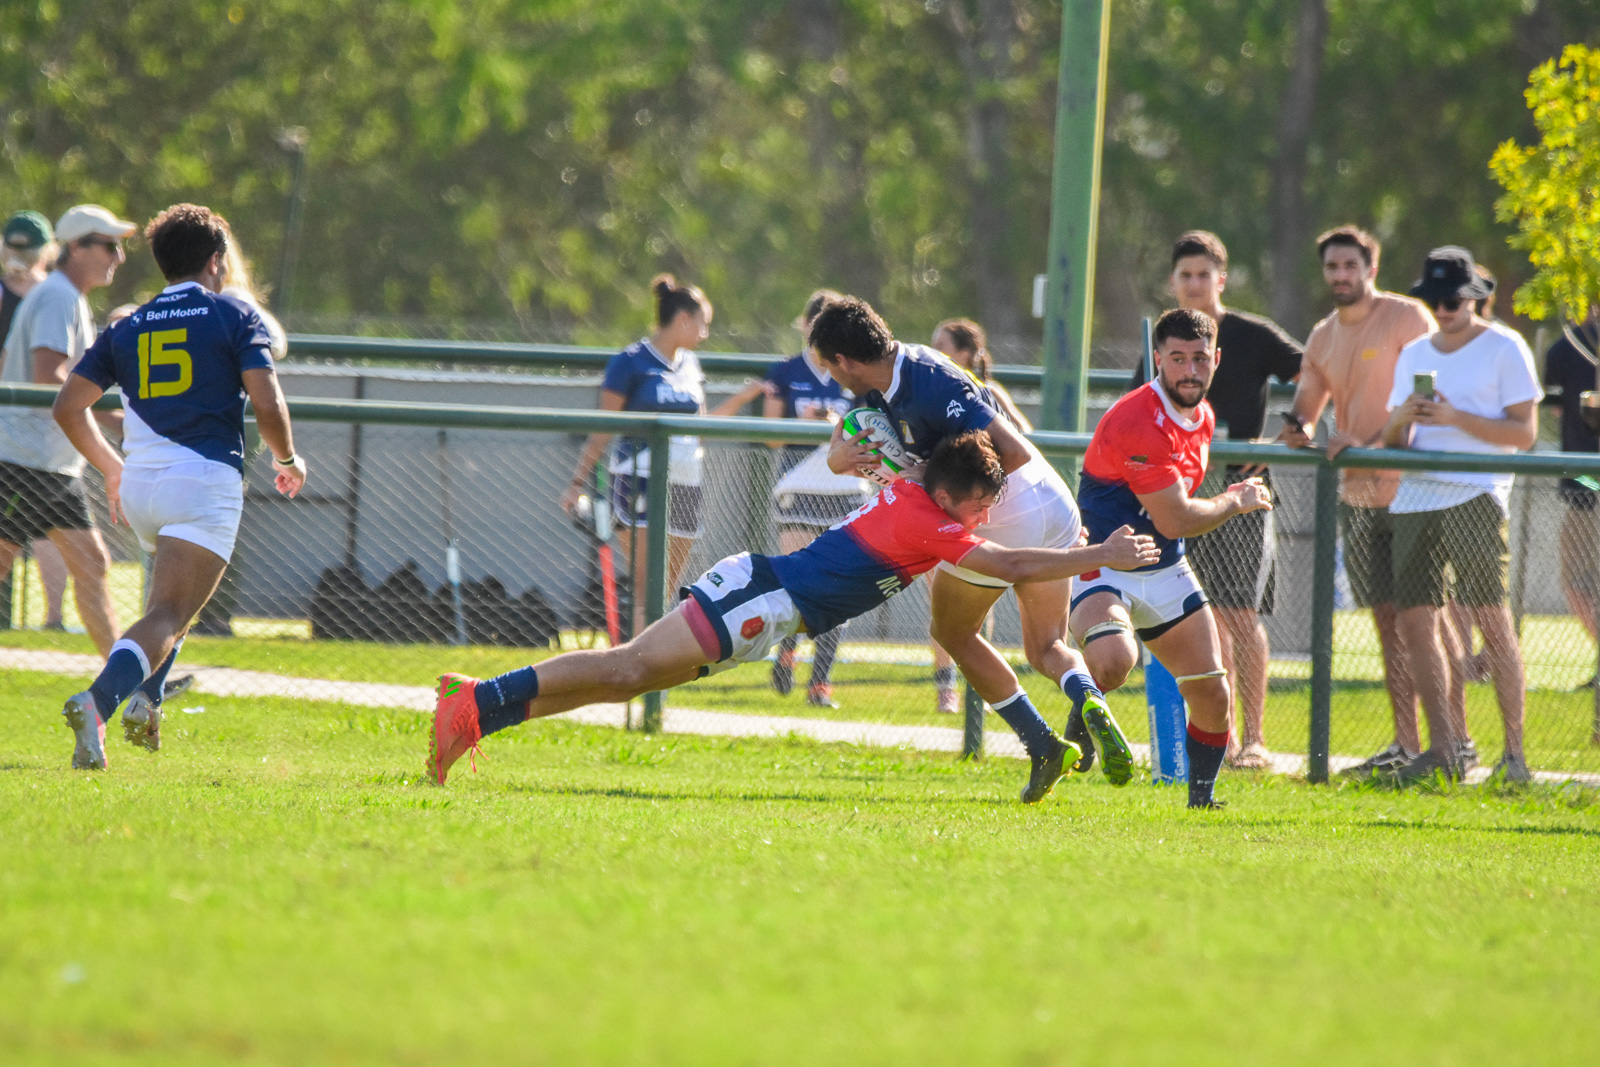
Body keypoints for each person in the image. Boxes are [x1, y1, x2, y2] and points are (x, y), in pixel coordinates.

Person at [430, 431, 1158, 787]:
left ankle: (479, 714)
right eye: (982, 501)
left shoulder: (921, 494)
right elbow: (1015, 564)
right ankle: (476, 698)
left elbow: (870, 458)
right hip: (759, 597)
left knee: (632, 678)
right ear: (953, 495)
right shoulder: (932, 523)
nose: (986, 513)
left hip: (769, 604)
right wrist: (1101, 557)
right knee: (627, 667)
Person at [812, 296, 1121, 802]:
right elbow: (851, 432)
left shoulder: (930, 380)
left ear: (845, 360)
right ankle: (1086, 695)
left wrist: (921, 474)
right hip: (1048, 499)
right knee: (1046, 647)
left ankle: (1042, 744)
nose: (833, 378)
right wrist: (836, 456)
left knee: (952, 631)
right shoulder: (887, 380)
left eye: (830, 367)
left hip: (1008, 501)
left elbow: (1012, 451)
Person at [52, 203, 307, 769]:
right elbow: (267, 401)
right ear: (216, 261)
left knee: (172, 609)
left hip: (141, 485)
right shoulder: (231, 316)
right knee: (168, 612)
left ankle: (145, 701)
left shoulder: (126, 324)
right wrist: (288, 458)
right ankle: (97, 704)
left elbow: (68, 408)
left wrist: (109, 466)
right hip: (201, 480)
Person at [1068, 308, 1274, 809]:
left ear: (1216, 359)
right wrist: (1235, 498)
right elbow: (1176, 519)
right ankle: (1081, 723)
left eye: (1200, 358)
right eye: (1177, 358)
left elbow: (1171, 526)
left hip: (1165, 568)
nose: (1189, 370)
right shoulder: (1140, 419)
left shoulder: (1202, 416)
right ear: (1158, 359)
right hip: (1105, 560)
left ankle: (1200, 802)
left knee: (1212, 695)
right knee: (1116, 661)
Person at [1278, 225, 1438, 776]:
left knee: (1427, 625)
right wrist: (1298, 426)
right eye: (1332, 268)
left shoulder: (1408, 318)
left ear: (1372, 268)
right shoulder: (1323, 335)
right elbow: (1307, 403)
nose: (1341, 276)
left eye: (1351, 266)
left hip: (1417, 493)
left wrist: (1369, 445)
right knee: (1386, 623)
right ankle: (1406, 744)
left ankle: (1452, 745)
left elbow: (1427, 398)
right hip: (1360, 497)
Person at [1140, 231, 1303, 768]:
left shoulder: (1252, 335)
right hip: (1178, 499)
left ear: (1221, 280)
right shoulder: (1160, 341)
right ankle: (1216, 738)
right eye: (1184, 275)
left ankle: (1254, 739)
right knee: (1192, 621)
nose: (1193, 284)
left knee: (1238, 615)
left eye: (1203, 275)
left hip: (1239, 494)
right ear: (1173, 281)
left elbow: (1313, 371)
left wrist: (1287, 437)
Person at [1379, 246, 1540, 784]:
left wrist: (1454, 417)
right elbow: (1393, 441)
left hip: (1476, 492)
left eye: (1453, 300)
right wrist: (1404, 416)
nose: (1444, 310)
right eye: (1434, 300)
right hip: (1415, 497)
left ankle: (1514, 757)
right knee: (1415, 623)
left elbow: (1523, 433)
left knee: (1491, 619)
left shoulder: (1505, 347)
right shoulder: (1414, 353)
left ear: (1474, 298)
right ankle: (1444, 752)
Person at [0, 205, 136, 659]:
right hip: (25, 461)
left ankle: (126, 682)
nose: (118, 256)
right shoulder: (58, 296)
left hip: (48, 464)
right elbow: (48, 374)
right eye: (109, 245)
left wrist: (110, 421)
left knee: (93, 565)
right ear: (75, 248)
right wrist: (109, 427)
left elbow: (62, 388)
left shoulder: (66, 296)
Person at [561, 275, 712, 637]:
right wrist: (576, 483)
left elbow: (703, 423)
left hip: (686, 479)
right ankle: (643, 674)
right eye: (703, 323)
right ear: (683, 320)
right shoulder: (629, 363)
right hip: (640, 477)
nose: (705, 333)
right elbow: (603, 429)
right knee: (647, 587)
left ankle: (653, 672)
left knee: (669, 590)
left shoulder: (691, 365)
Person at [762, 289, 870, 708]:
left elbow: (869, 429)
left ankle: (821, 681)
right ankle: (786, 652)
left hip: (843, 487)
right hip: (798, 486)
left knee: (840, 584)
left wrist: (837, 424)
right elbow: (771, 438)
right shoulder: (786, 371)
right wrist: (801, 423)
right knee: (797, 577)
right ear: (805, 326)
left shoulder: (852, 373)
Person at [926, 317, 1029, 714]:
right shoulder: (934, 394)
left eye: (943, 345)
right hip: (945, 507)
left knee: (978, 600)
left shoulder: (986, 392)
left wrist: (984, 465)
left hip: (983, 509)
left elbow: (1022, 433)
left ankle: (977, 690)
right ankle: (945, 686)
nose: (934, 352)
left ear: (965, 354)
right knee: (940, 601)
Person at [0, 210, 71, 631]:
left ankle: (55, 619)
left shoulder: (55, 296)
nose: (18, 257)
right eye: (13, 247)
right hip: (8, 429)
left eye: (27, 249)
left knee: (53, 530)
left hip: (45, 434)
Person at [1540, 303, 1600, 722]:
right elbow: (1556, 408)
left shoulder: (1567, 346)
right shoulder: (1566, 349)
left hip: (1588, 484)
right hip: (1585, 483)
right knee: (1578, 581)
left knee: (1579, 581)